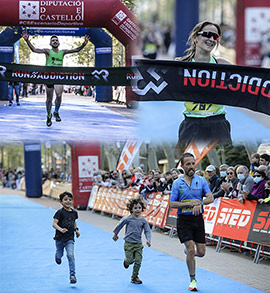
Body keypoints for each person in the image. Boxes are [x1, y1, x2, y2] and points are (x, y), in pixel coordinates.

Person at [176, 21, 232, 145]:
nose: (211, 39)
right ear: (195, 37)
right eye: (207, 34)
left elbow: (245, 80)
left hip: (218, 124)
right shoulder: (180, 65)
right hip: (191, 123)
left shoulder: (222, 64)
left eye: (215, 36)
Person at [22, 31, 89, 127]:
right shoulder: (48, 51)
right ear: (50, 43)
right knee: (49, 99)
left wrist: (84, 44)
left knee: (59, 96)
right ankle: (49, 115)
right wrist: (27, 40)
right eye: (53, 40)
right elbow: (34, 50)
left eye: (56, 40)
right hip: (49, 77)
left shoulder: (63, 52)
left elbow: (76, 50)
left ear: (59, 43)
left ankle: (56, 112)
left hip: (58, 77)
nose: (54, 41)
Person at [170, 152, 214, 291]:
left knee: (200, 252)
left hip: (198, 220)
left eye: (193, 163)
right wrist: (187, 205)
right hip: (184, 220)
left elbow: (211, 197)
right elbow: (172, 203)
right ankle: (193, 280)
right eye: (188, 164)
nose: (191, 166)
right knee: (190, 249)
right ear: (182, 166)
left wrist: (199, 203)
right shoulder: (177, 183)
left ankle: (190, 253)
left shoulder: (201, 180)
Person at [112, 195, 151, 285]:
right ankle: (126, 261)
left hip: (138, 244)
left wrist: (148, 240)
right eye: (135, 208)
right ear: (131, 209)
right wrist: (115, 234)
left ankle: (134, 277)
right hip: (128, 244)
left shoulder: (143, 221)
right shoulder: (128, 218)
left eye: (139, 208)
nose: (137, 210)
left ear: (142, 209)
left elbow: (147, 231)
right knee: (130, 260)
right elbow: (120, 225)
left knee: (138, 261)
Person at [52, 191, 80, 284]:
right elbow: (54, 224)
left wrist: (76, 230)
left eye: (70, 199)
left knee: (71, 255)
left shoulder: (74, 213)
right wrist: (60, 229)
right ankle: (57, 256)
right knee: (60, 254)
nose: (68, 201)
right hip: (59, 238)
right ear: (61, 202)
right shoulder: (59, 212)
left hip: (70, 238)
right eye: (65, 200)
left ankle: (72, 275)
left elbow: (74, 222)